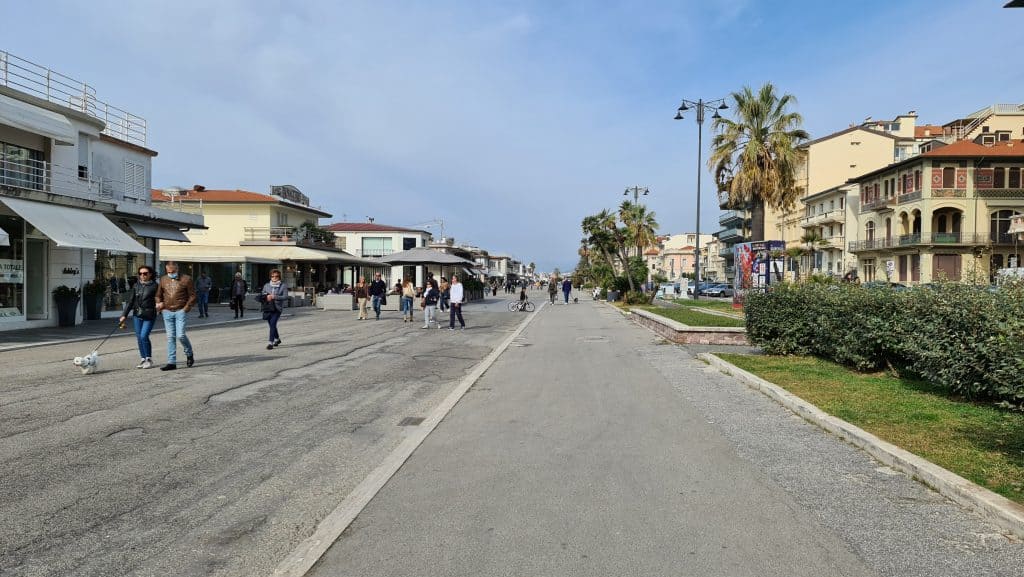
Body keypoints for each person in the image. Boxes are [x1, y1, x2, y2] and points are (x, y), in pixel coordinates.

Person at [155, 261, 196, 371]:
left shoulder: (186, 279)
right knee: (170, 337)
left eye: (173, 272)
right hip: (167, 311)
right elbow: (158, 294)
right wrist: (159, 304)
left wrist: (186, 308)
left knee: (181, 335)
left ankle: (189, 353)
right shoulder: (163, 279)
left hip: (180, 310)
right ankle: (171, 362)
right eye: (169, 272)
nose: (171, 273)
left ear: (177, 270)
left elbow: (192, 295)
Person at [119, 265, 158, 369]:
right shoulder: (136, 286)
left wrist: (160, 306)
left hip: (149, 315)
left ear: (150, 274)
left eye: (145, 273)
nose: (142, 275)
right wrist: (124, 315)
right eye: (140, 273)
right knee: (139, 337)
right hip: (137, 315)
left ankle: (148, 359)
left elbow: (160, 299)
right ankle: (143, 359)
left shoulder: (155, 286)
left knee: (144, 336)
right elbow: (131, 301)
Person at [260, 269, 288, 350]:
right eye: (272, 276)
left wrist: (274, 297)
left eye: (276, 276)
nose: (274, 278)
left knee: (272, 324)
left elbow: (285, 297)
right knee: (272, 325)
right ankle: (277, 339)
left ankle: (270, 342)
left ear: (279, 277)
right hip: (268, 308)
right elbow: (262, 294)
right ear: (270, 277)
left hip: (277, 308)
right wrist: (266, 297)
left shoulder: (283, 285)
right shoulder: (266, 285)